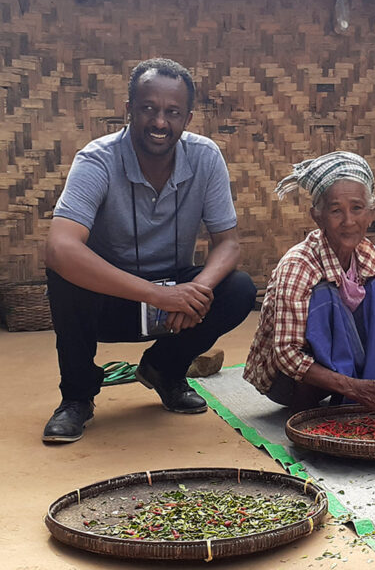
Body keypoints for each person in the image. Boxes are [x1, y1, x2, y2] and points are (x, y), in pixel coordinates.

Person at [42, 58, 256, 443]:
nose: (160, 122)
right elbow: (59, 247)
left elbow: (229, 244)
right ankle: (76, 397)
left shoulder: (205, 157)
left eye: (172, 112)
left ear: (187, 118)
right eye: (148, 109)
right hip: (110, 302)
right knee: (65, 274)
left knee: (237, 288)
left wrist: (196, 290)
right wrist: (158, 294)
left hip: (173, 312)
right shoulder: (97, 159)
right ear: (129, 111)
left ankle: (163, 369)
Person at [244, 151, 375, 414]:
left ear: (371, 214)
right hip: (291, 383)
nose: (348, 221)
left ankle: (356, 389)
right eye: (335, 211)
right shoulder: (299, 265)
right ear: (317, 217)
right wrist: (353, 387)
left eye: (357, 208)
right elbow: (286, 354)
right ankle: (334, 399)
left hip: (348, 372)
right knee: (325, 296)